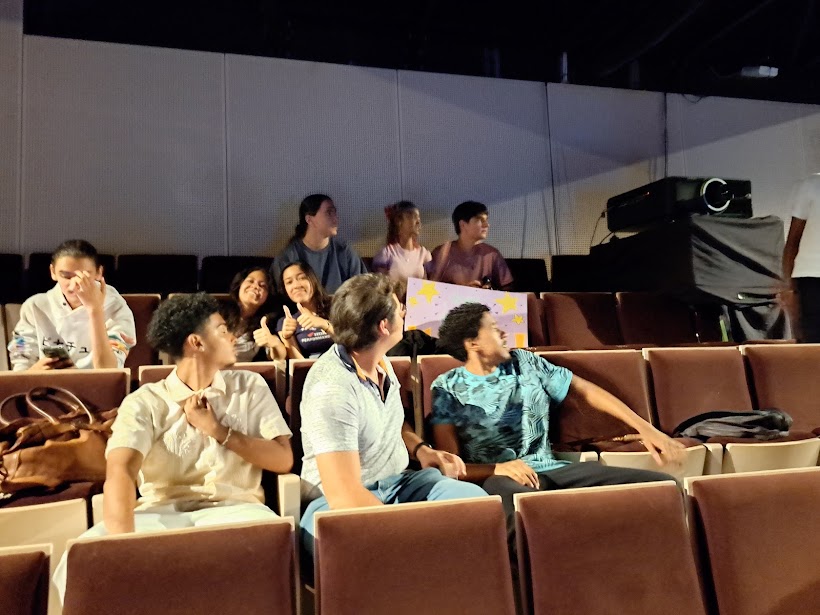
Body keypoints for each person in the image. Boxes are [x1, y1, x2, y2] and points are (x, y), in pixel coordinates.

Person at [52, 293, 293, 602]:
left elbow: (283, 459)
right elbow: (121, 471)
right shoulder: (144, 401)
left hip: (237, 511)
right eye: (223, 330)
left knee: (272, 545)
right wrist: (122, 545)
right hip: (159, 513)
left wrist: (218, 430)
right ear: (196, 342)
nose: (233, 337)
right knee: (79, 562)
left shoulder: (249, 386)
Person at [431, 302, 683, 530]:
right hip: (497, 479)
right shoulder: (447, 387)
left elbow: (585, 391)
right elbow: (452, 467)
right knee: (523, 509)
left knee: (663, 487)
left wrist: (646, 429)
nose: (504, 333)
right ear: (472, 343)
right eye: (495, 329)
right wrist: (498, 469)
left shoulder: (525, 362)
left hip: (551, 469)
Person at [299, 274, 486, 560]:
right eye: (400, 309)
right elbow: (343, 495)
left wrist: (421, 450)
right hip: (337, 503)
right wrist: (405, 530)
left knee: (478, 508)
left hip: (400, 484)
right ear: (383, 326)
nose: (405, 313)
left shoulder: (378, 360)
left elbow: (392, 421)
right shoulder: (332, 387)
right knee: (384, 551)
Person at [9, 239, 135, 371]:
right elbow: (21, 353)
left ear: (99, 272)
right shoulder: (35, 306)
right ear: (53, 272)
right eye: (66, 276)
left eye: (83, 276)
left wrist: (95, 310)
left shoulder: (116, 306)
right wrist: (34, 372)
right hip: (46, 382)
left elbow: (109, 369)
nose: (74, 285)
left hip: (96, 382)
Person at [271, 194, 367, 294]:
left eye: (335, 213)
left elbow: (362, 290)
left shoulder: (344, 251)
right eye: (329, 213)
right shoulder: (287, 257)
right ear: (309, 219)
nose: (335, 219)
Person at [425, 200, 514, 291]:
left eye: (486, 220)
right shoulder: (441, 252)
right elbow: (428, 289)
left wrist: (489, 291)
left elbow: (508, 289)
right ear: (463, 224)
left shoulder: (492, 254)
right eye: (480, 220)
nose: (487, 225)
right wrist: (463, 290)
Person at [220, 267, 287, 361]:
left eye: (262, 285)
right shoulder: (218, 311)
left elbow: (280, 356)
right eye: (250, 281)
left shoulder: (266, 323)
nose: (255, 287)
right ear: (240, 285)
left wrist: (274, 343)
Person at [783, 173, 820, 342]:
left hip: (809, 278)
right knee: (812, 342)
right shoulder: (812, 185)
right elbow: (793, 241)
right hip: (811, 277)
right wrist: (788, 287)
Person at [275, 261, 334, 359]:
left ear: (313, 280)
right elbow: (298, 363)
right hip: (311, 368)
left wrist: (324, 324)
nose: (296, 285)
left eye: (302, 278)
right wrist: (288, 338)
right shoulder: (286, 321)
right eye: (289, 282)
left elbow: (351, 343)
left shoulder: (336, 306)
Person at [372, 200, 432, 285]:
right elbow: (380, 286)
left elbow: (431, 284)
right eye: (413, 217)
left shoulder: (423, 254)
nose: (418, 222)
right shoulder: (387, 253)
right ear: (398, 222)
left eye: (418, 217)